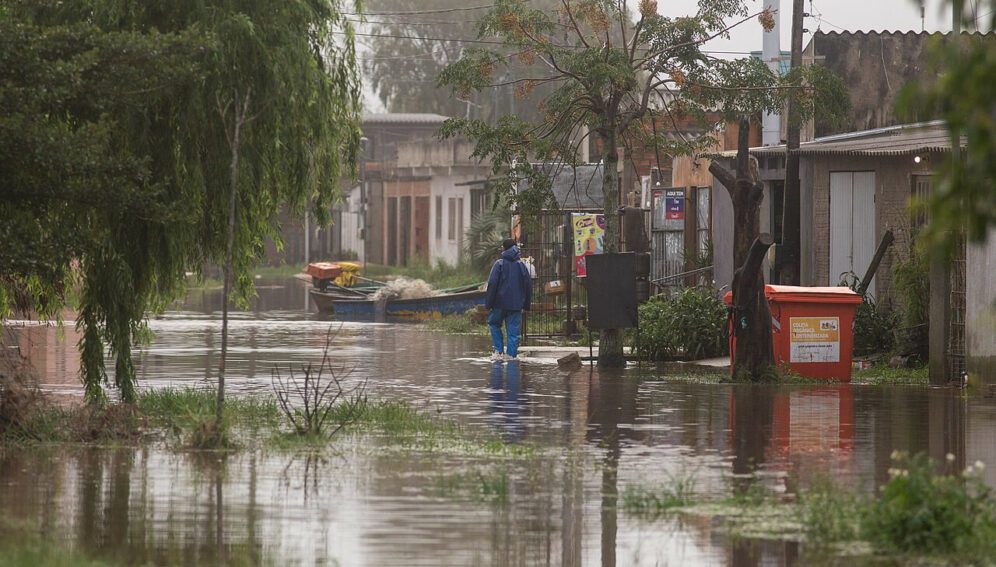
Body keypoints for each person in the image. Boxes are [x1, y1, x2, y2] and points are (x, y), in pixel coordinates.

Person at [485, 239, 532, 361]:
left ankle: (499, 352)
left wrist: (488, 303)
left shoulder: (499, 264)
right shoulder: (522, 266)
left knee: (494, 324)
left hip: (498, 304)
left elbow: (492, 284)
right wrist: (526, 305)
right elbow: (528, 286)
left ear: (504, 249)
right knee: (513, 332)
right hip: (516, 305)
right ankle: (511, 356)